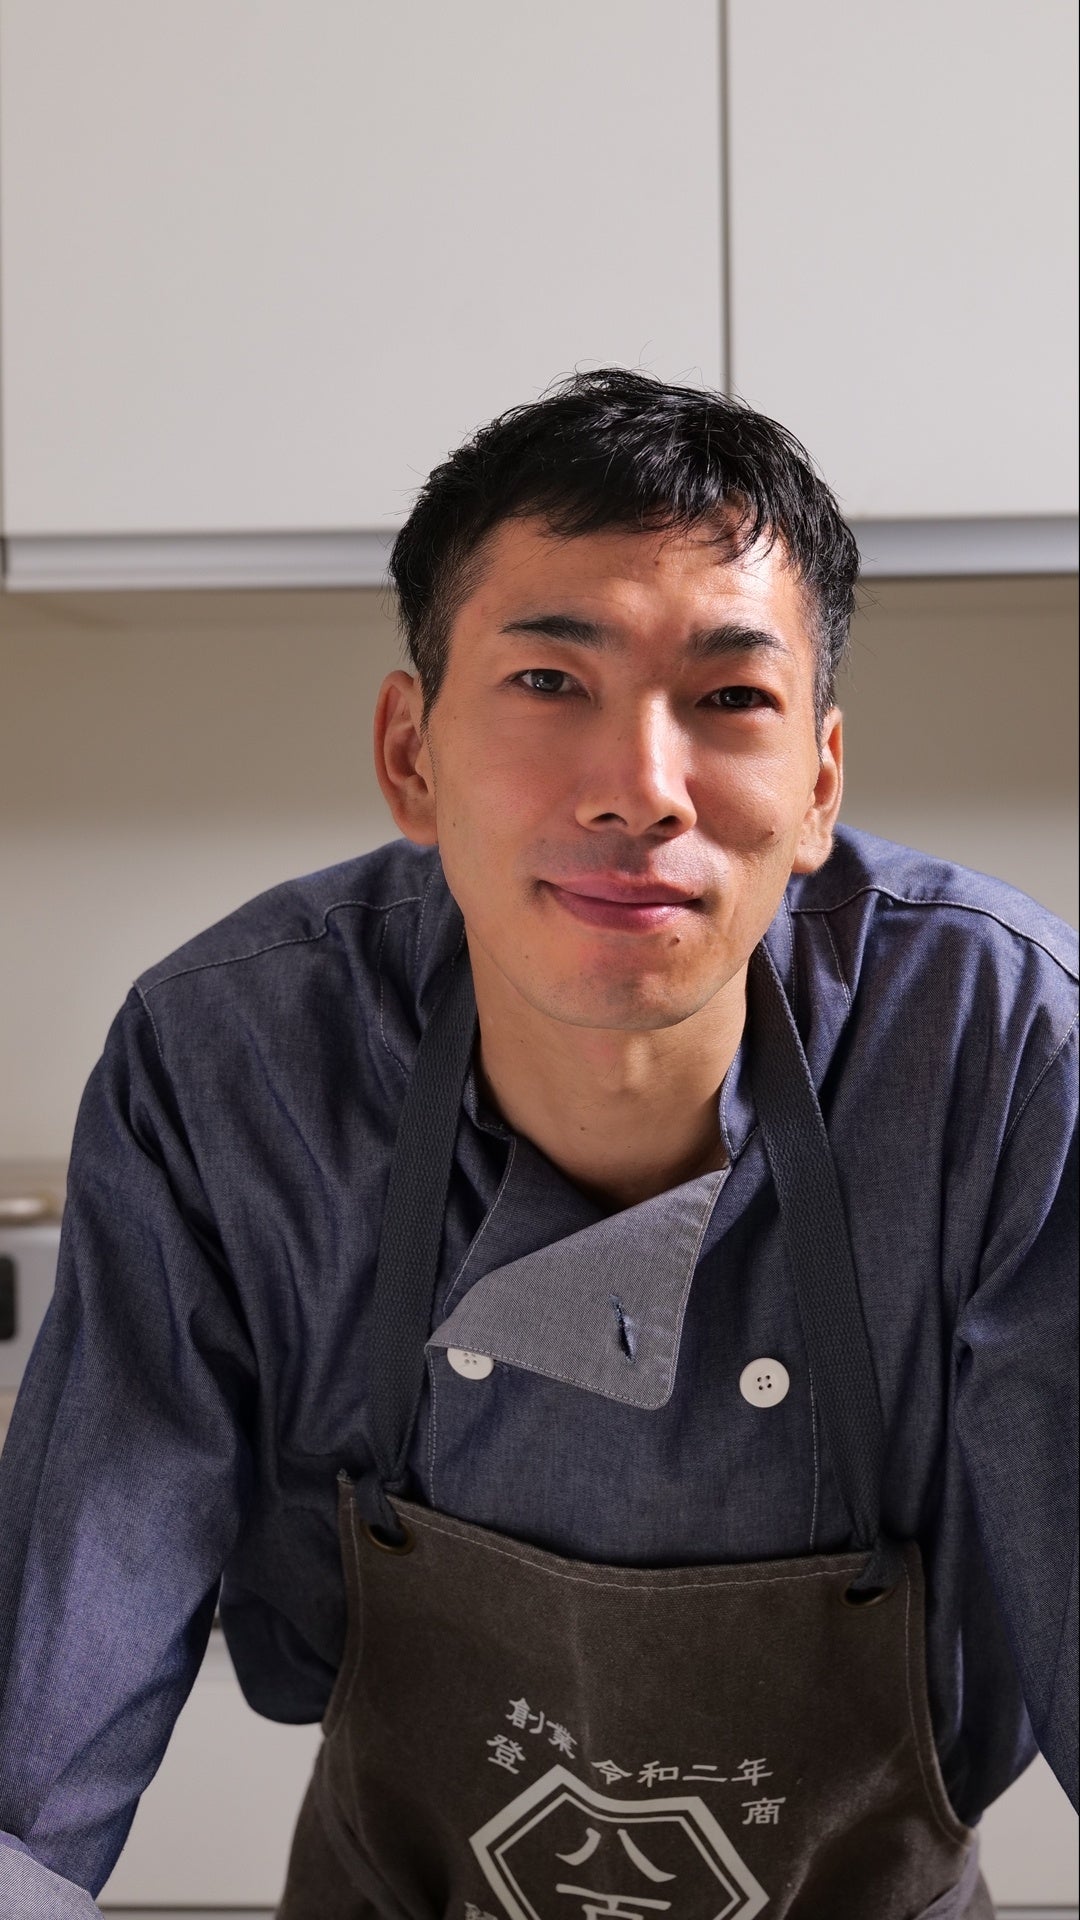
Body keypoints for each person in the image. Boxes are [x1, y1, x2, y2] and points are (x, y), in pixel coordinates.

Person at [0, 369, 1075, 1919]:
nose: (641, 790)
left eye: (731, 698)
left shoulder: (1004, 1053)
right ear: (411, 755)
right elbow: (40, 1742)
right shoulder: (233, 1063)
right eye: (550, 680)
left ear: (820, 784)